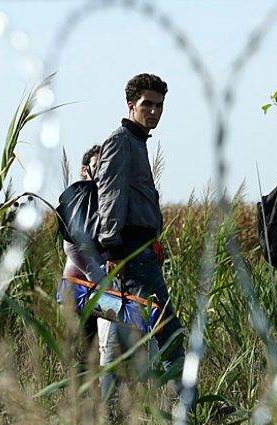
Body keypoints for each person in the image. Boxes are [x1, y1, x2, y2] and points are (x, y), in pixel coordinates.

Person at [94, 73, 184, 380]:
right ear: (131, 104)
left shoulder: (136, 142)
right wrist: (113, 249)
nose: (154, 111)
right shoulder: (120, 142)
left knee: (123, 341)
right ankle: (184, 408)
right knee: (169, 333)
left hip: (141, 249)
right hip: (131, 253)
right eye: (147, 104)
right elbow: (110, 196)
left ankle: (107, 415)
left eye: (159, 106)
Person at [60, 144, 122, 396]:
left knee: (108, 347)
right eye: (97, 167)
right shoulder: (79, 198)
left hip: (102, 286)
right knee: (88, 350)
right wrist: (100, 279)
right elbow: (72, 248)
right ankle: (88, 404)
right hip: (81, 289)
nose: (101, 172)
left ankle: (105, 403)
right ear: (85, 170)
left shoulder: (106, 197)